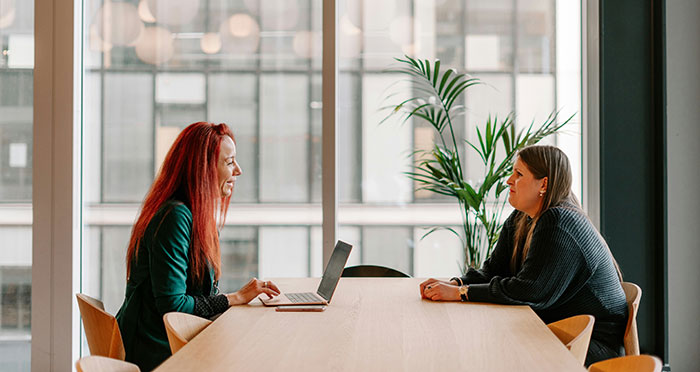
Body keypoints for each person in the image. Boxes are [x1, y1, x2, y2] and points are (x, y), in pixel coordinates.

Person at [419, 145, 628, 366]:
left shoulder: (559, 221)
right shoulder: (522, 217)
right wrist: (455, 283)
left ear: (544, 184)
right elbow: (493, 271)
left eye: (519, 174)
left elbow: (530, 290)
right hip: (553, 331)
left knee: (484, 352)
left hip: (589, 344)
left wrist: (461, 293)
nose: (509, 180)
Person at [115, 122, 280, 371]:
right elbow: (173, 306)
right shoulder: (175, 216)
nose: (238, 170)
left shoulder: (193, 215)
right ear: (203, 169)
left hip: (171, 342)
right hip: (158, 351)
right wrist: (235, 298)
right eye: (229, 162)